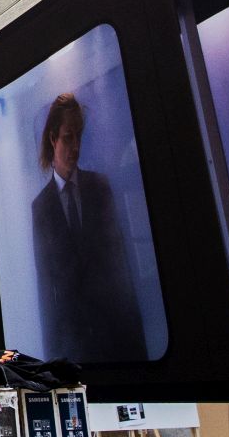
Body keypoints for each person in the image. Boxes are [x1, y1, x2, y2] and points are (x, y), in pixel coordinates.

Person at [29, 93, 146, 362]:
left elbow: (122, 263)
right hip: (73, 345)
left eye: (78, 137)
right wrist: (51, 358)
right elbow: (46, 287)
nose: (75, 147)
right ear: (52, 139)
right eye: (68, 137)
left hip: (117, 336)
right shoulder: (41, 208)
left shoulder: (100, 187)